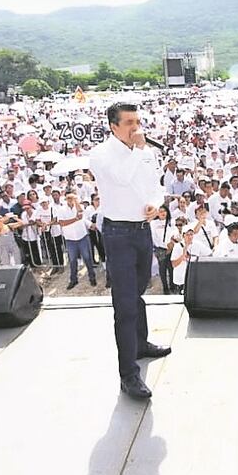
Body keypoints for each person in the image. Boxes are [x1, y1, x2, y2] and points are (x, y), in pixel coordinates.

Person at [89, 103, 170, 400]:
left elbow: (156, 186)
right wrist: (138, 150)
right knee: (124, 304)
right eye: (129, 122)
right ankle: (128, 374)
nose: (135, 127)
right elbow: (122, 177)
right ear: (113, 126)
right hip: (118, 233)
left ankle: (141, 343)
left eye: (137, 121)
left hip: (141, 230)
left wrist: (156, 204)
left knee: (138, 291)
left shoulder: (146, 153)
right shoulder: (100, 155)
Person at [55, 193, 96, 289]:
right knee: (72, 260)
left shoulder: (79, 206)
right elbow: (61, 223)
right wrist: (75, 219)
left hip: (82, 236)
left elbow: (81, 214)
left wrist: (76, 202)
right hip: (70, 239)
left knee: (87, 258)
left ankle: (92, 277)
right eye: (69, 198)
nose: (70, 200)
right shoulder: (61, 210)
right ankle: (73, 279)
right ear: (65, 199)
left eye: (72, 198)